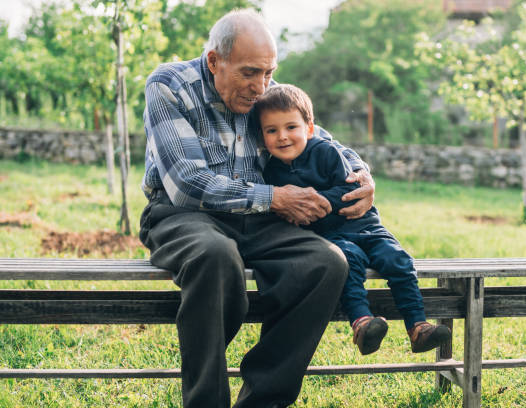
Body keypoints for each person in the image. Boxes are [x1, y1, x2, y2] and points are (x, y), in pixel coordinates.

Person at [138, 9, 375, 408]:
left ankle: (264, 400)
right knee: (215, 254)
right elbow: (185, 184)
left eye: (268, 73)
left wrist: (361, 174)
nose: (260, 86)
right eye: (250, 73)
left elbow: (322, 140)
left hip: (256, 219)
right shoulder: (169, 85)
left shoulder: (264, 91)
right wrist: (275, 197)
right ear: (215, 61)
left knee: (327, 263)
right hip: (182, 215)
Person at [255, 84, 451, 356]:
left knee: (398, 260)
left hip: (366, 227)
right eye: (271, 130)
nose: (283, 137)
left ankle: (418, 326)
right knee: (348, 261)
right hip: (332, 236)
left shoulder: (325, 152)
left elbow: (350, 188)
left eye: (291, 127)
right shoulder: (272, 173)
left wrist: (318, 201)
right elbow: (284, 211)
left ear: (309, 128)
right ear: (261, 135)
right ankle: (361, 323)